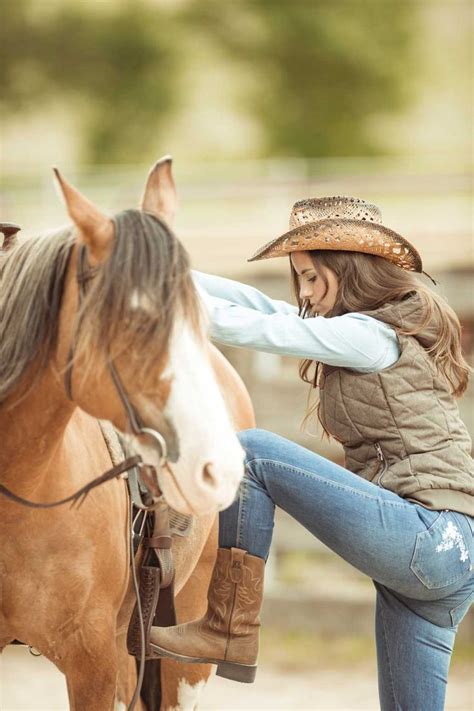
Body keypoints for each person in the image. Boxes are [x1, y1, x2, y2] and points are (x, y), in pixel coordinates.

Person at [149, 196, 473, 710]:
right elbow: (262, 306)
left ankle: (229, 626)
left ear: (350, 271)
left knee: (251, 453)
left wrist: (141, 295)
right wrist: (157, 269)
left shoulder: (371, 335)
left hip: (428, 537)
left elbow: (261, 328)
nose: (304, 293)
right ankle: (229, 628)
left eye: (312, 277)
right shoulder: (365, 329)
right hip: (446, 556)